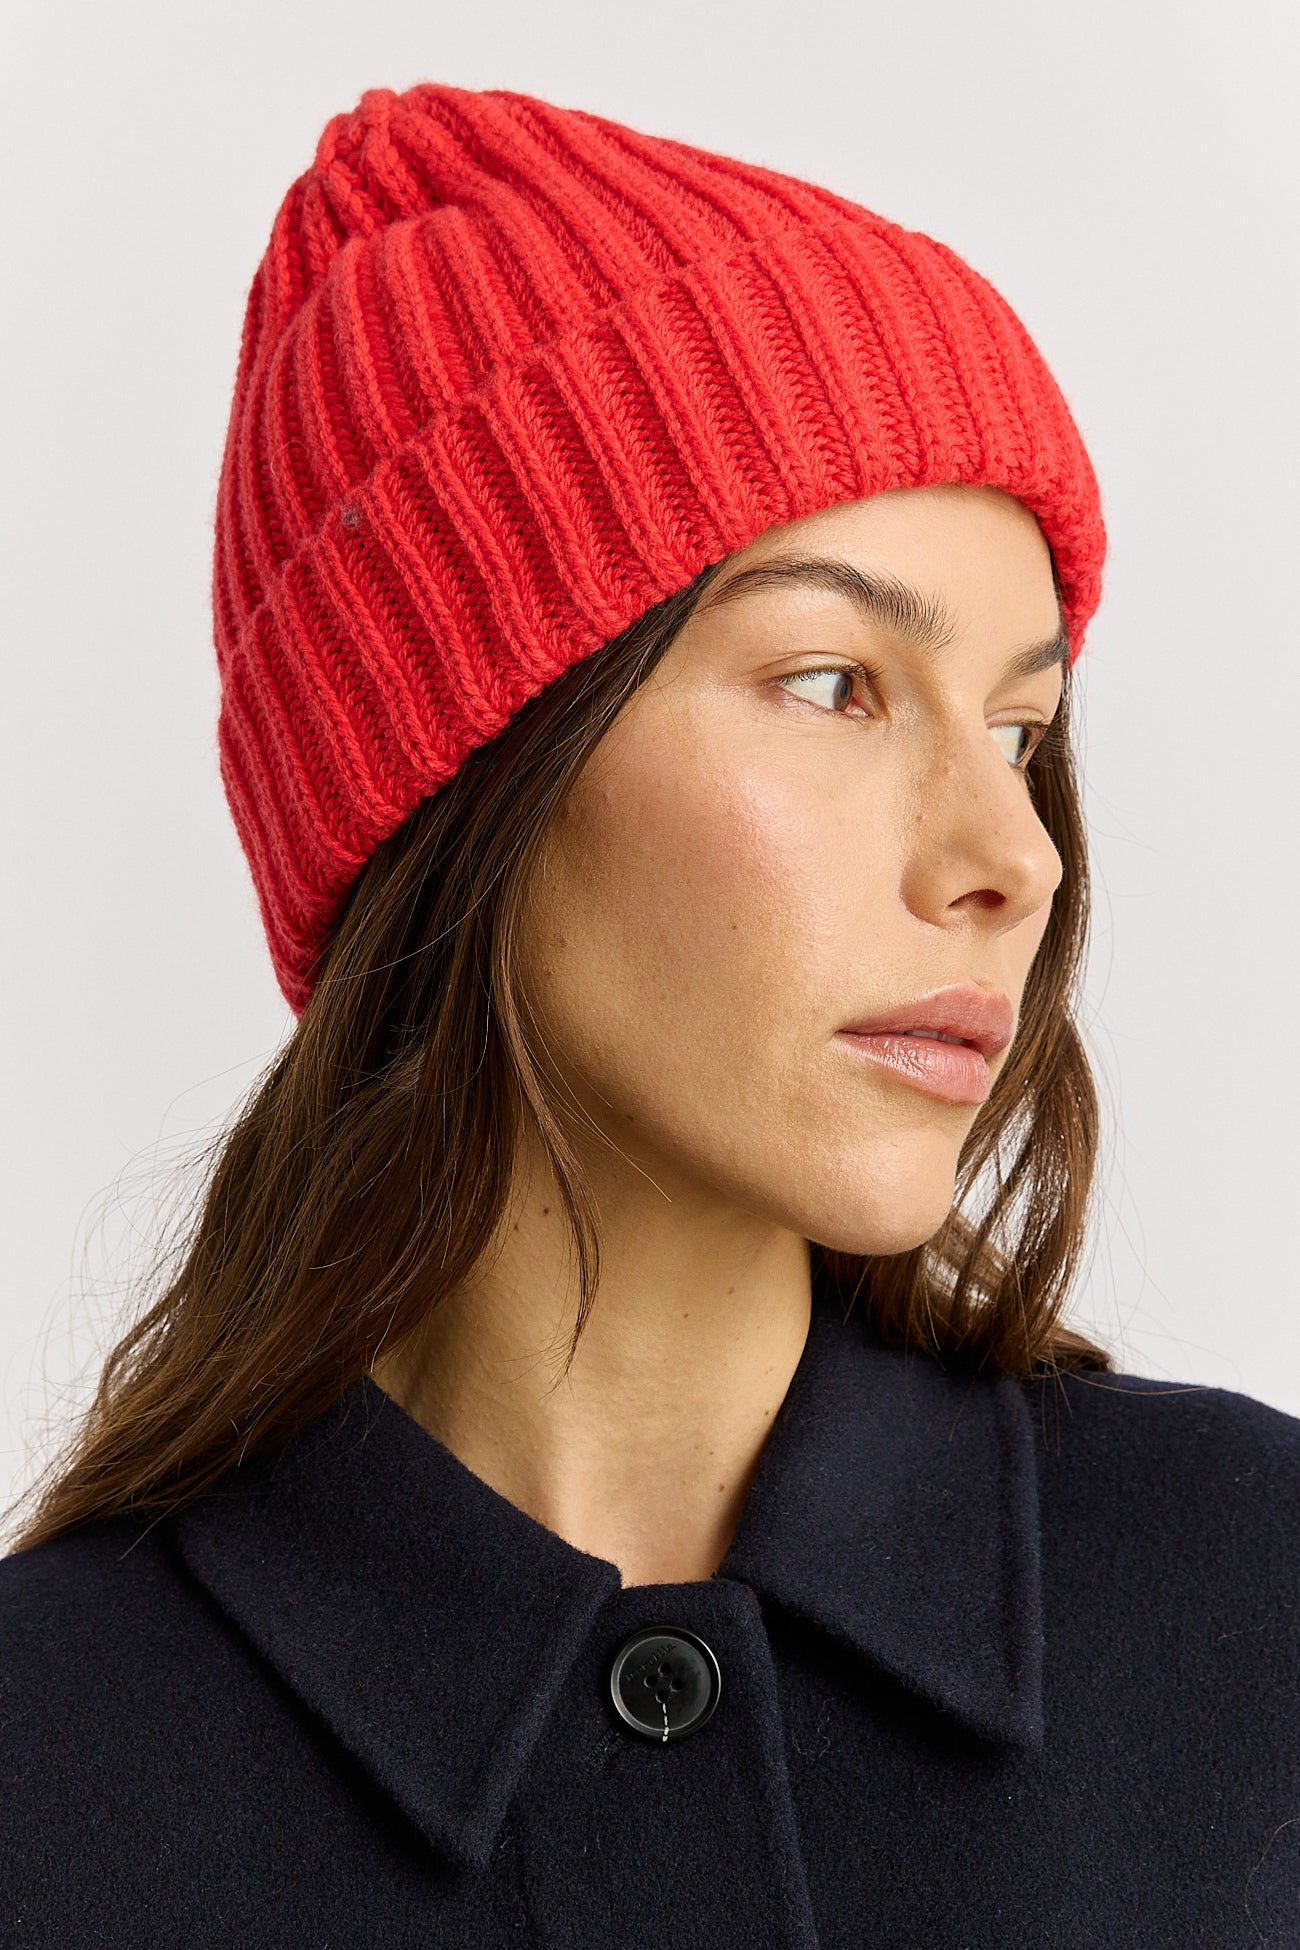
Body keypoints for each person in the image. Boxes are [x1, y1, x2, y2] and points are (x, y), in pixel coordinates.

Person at [2, 80, 1297, 1950]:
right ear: (468, 768)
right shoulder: (51, 1763)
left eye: (1021, 725)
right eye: (836, 684)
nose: (1011, 854)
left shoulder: (1252, 1601)